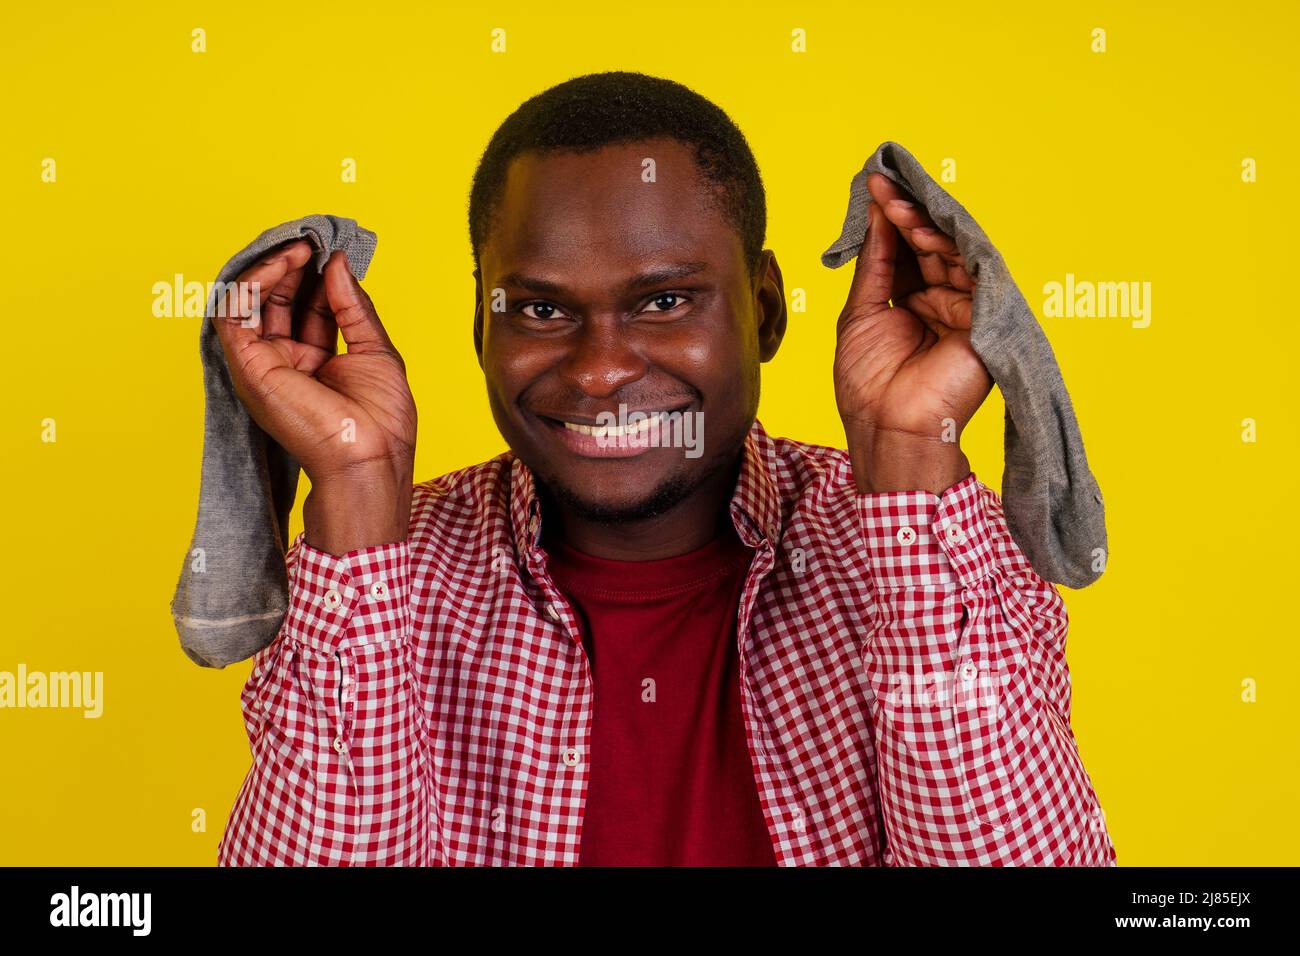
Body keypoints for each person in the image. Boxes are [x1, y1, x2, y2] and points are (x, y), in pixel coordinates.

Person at [212, 70, 1114, 866]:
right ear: (480, 326)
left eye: (666, 300)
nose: (601, 367)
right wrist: (357, 485)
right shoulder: (381, 571)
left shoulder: (921, 543)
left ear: (764, 309)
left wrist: (912, 458)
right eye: (538, 310)